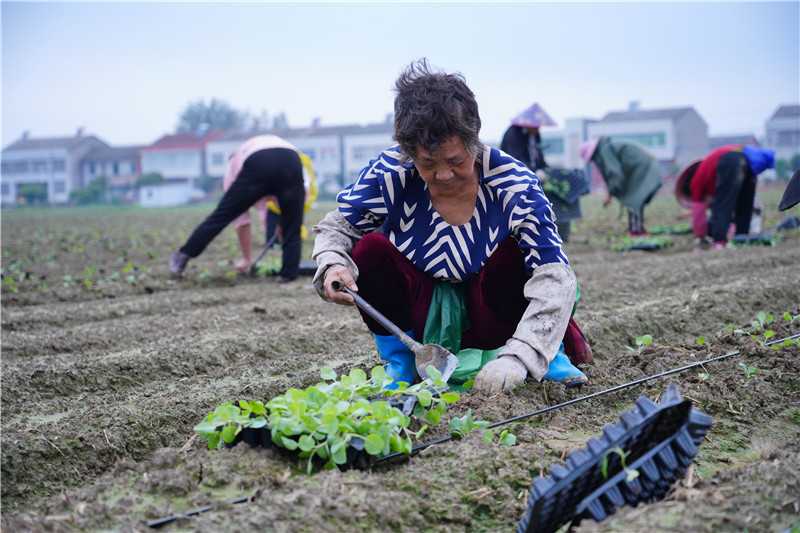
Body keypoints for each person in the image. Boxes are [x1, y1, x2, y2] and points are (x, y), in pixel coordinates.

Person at [312, 59, 592, 395]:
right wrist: (332, 262)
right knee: (370, 248)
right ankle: (401, 359)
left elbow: (555, 276)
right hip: (423, 310)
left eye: (456, 161)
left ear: (473, 141)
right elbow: (339, 226)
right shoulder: (391, 172)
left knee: (514, 252)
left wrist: (520, 359)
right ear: (408, 152)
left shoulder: (513, 183)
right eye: (428, 163)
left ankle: (547, 353)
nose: (444, 175)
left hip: (493, 312)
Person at [169, 134, 316, 283]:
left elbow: (242, 220)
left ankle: (182, 257)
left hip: (260, 159)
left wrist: (246, 259)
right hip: (291, 158)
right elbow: (303, 193)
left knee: (221, 216)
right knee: (293, 228)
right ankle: (288, 276)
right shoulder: (257, 152)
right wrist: (288, 222)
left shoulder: (233, 167)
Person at [500, 103, 590, 243]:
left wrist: (546, 170)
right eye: (535, 127)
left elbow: (539, 157)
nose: (537, 129)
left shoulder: (535, 135)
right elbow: (515, 159)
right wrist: (534, 172)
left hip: (535, 175)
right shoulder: (513, 134)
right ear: (527, 124)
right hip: (516, 177)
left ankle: (554, 230)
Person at [689, 145, 775, 249]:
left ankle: (719, 242)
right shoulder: (708, 172)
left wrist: (701, 235)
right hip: (747, 160)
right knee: (744, 203)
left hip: (730, 160)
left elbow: (699, 213)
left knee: (722, 204)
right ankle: (742, 238)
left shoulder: (695, 183)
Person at [579, 136, 664, 236]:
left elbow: (614, 174)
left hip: (640, 166)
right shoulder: (607, 146)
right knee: (635, 198)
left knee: (634, 199)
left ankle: (636, 230)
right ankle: (638, 228)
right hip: (644, 163)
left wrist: (610, 193)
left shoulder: (604, 150)